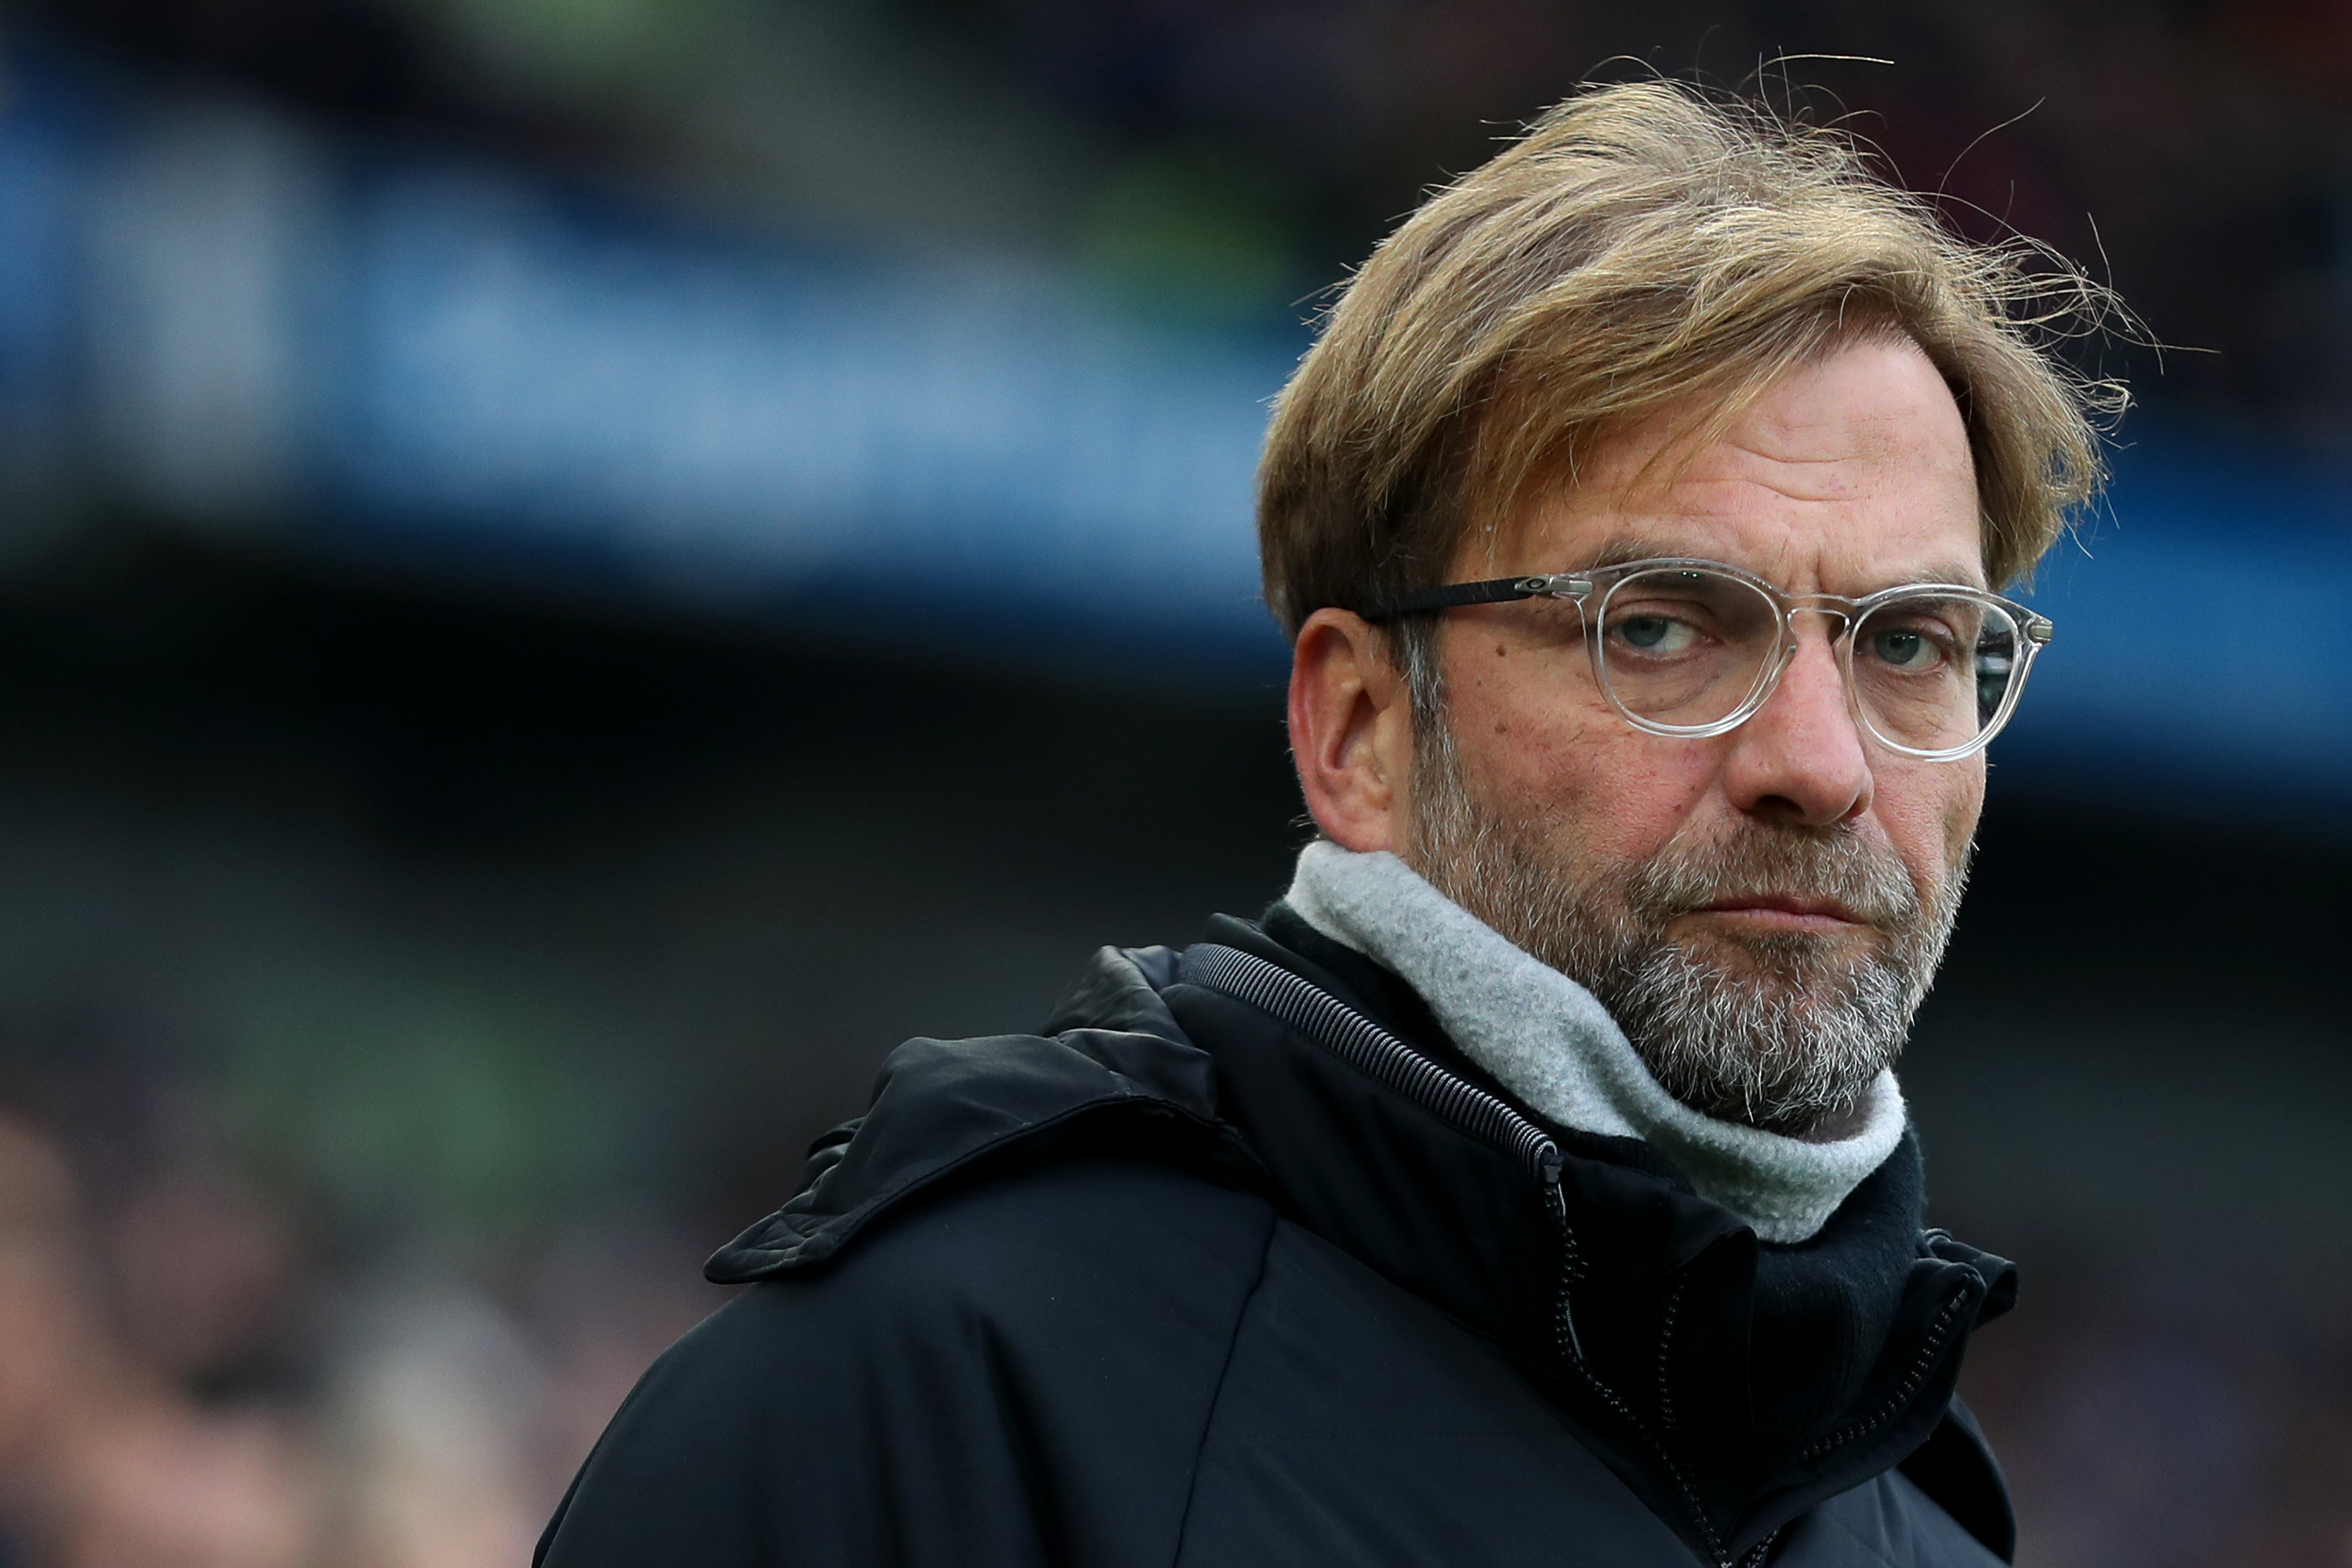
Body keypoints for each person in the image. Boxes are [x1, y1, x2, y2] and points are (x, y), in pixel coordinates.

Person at [536, 80, 2119, 1568]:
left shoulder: (1920, 1516)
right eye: (1661, 624)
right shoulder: (921, 1404)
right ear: (1358, 727)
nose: (1821, 765)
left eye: (1909, 642)